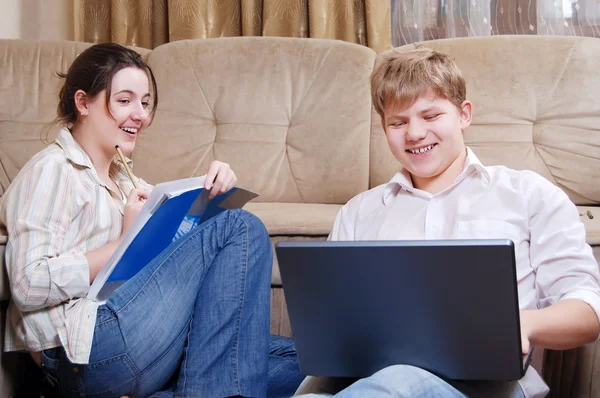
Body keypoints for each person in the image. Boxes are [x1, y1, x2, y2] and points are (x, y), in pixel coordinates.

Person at [0, 43, 303, 398]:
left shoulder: (126, 179)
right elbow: (27, 283)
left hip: (140, 340)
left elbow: (182, 241)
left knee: (319, 362)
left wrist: (214, 187)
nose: (140, 115)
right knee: (238, 226)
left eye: (144, 103)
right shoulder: (53, 171)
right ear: (83, 103)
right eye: (124, 100)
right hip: (86, 349)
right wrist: (122, 244)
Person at [297, 48, 600, 398]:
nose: (414, 134)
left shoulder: (529, 194)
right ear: (384, 128)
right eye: (398, 122)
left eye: (430, 115)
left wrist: (520, 324)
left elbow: (587, 312)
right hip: (362, 379)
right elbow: (334, 319)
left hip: (485, 388)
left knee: (398, 381)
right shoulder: (358, 211)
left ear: (464, 114)